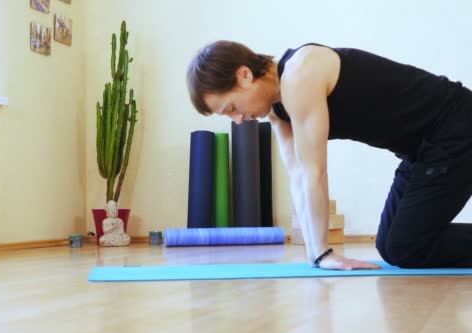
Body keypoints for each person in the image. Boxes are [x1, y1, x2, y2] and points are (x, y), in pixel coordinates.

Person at [186, 41, 472, 270]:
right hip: (420, 150)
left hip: (454, 128)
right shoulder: (277, 110)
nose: (237, 120)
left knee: (407, 248)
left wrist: (325, 252)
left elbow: (315, 173)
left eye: (232, 108)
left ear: (244, 75)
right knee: (390, 247)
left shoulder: (300, 72)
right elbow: (298, 176)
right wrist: (316, 254)